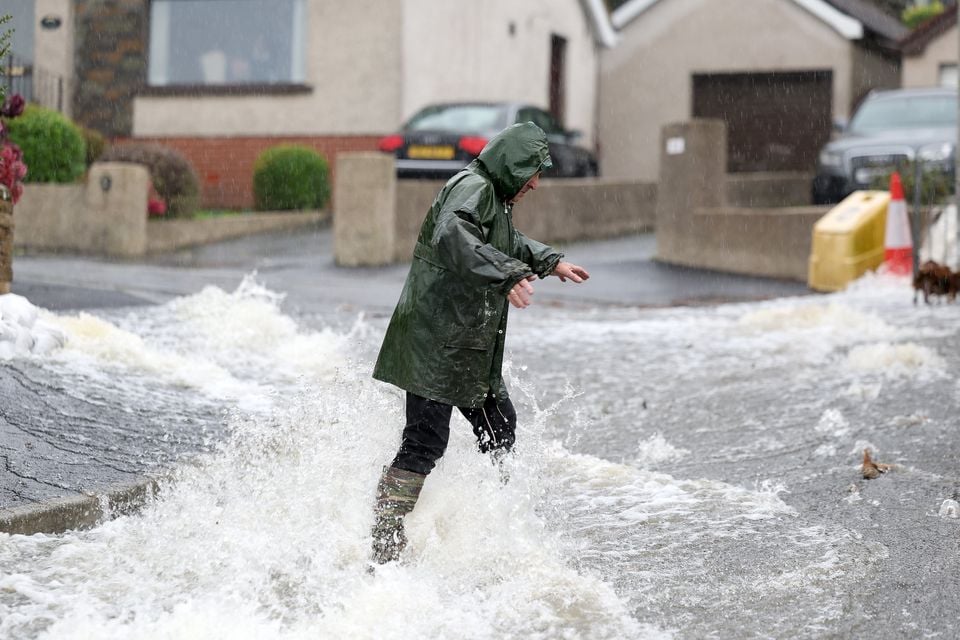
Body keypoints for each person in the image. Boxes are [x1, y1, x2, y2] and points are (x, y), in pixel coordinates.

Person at [369, 122, 590, 564]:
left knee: (500, 428)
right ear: (513, 164)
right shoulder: (473, 187)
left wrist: (550, 261)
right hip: (436, 343)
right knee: (425, 441)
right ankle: (384, 536)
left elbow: (502, 241)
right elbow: (454, 236)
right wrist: (507, 275)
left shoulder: (494, 196)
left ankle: (498, 529)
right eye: (533, 171)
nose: (535, 183)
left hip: (466, 347)